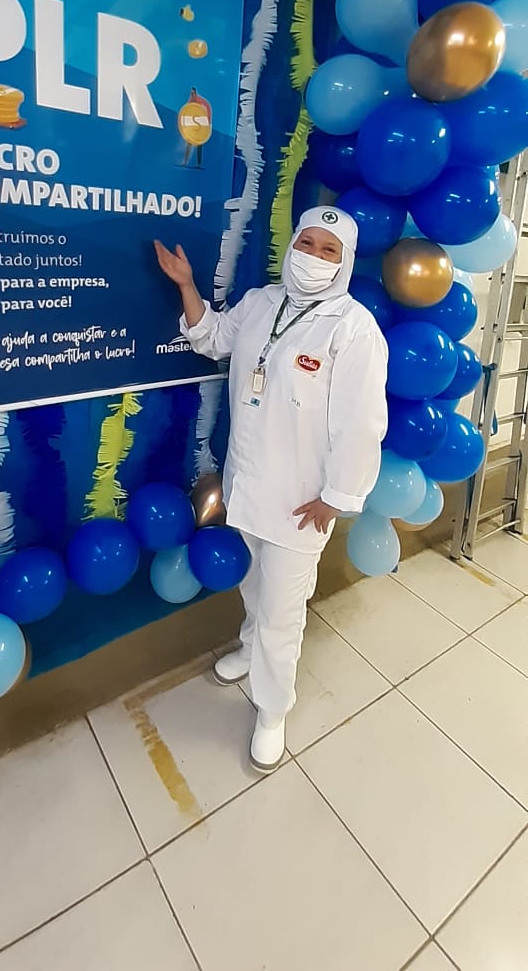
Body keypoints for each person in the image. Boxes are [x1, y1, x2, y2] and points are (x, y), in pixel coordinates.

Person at [154, 206, 388, 771]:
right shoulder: (261, 302)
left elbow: (361, 423)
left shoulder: (352, 328)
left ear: (344, 262)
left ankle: (272, 708)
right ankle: (248, 648)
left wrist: (337, 496)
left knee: (284, 610)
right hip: (249, 482)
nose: (313, 257)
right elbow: (212, 338)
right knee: (255, 585)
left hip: (303, 502)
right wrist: (186, 285)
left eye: (328, 250)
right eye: (307, 243)